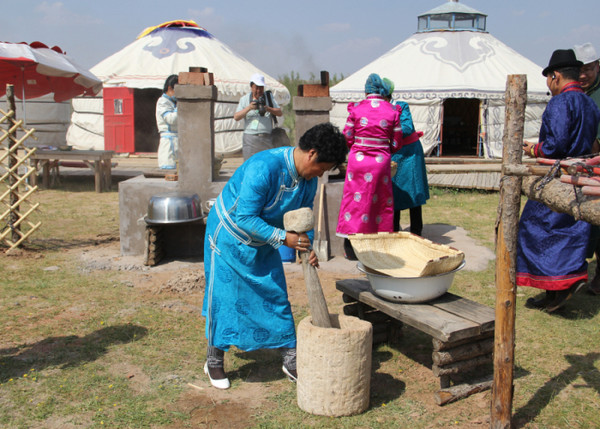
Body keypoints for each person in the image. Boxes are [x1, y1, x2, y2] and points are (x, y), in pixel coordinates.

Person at [202, 123, 348, 389]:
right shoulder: (264, 167)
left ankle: (290, 357)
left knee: (275, 294)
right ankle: (214, 359)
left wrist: (307, 246)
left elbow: (302, 219)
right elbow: (244, 217)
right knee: (223, 299)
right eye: (323, 168)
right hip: (228, 237)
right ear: (312, 154)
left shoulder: (309, 182)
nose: (322, 174)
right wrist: (284, 239)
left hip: (264, 240)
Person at [518, 49, 600, 312]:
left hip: (559, 176)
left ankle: (565, 282)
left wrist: (533, 149)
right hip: (581, 176)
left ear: (554, 76)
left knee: (535, 227)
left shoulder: (560, 102)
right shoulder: (589, 102)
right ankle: (556, 291)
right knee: (572, 228)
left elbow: (556, 145)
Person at [336, 73, 404, 260]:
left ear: (366, 91)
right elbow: (397, 142)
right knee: (379, 203)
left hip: (357, 163)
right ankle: (378, 248)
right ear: (381, 90)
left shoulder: (356, 109)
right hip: (380, 163)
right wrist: (383, 149)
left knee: (354, 202)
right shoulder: (392, 110)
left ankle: (351, 250)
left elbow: (348, 136)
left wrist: (358, 148)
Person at [383, 78, 430, 236]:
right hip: (394, 154)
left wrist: (386, 130)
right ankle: (394, 231)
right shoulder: (378, 109)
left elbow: (408, 128)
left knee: (413, 192)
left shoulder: (401, 106)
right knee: (394, 192)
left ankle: (416, 232)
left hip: (410, 154)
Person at [573, 43, 600, 295]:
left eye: (588, 69)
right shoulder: (574, 94)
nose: (583, 75)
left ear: (597, 67)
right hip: (579, 167)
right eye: (579, 69)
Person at [234, 73, 283, 160]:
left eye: (261, 87)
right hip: (250, 139)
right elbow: (236, 117)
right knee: (249, 165)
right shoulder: (244, 99)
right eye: (257, 87)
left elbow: (279, 112)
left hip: (266, 138)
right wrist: (249, 108)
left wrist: (268, 108)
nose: (259, 90)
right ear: (251, 87)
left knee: (267, 164)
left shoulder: (269, 98)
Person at [156, 74, 179, 169]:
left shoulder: (172, 103)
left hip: (176, 141)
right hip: (168, 143)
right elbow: (171, 119)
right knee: (169, 170)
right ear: (170, 88)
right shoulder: (162, 102)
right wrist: (181, 106)